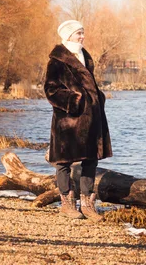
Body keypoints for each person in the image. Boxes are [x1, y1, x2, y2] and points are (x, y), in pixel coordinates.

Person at [44, 20, 113, 222]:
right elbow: (50, 90)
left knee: (90, 159)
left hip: (91, 117)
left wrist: (98, 98)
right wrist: (74, 101)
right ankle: (66, 203)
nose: (82, 37)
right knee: (63, 161)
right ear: (68, 36)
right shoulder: (57, 60)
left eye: (82, 33)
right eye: (78, 33)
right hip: (68, 120)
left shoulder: (85, 56)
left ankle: (87, 205)